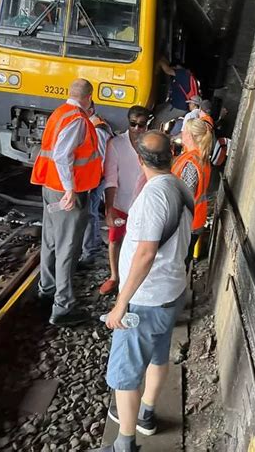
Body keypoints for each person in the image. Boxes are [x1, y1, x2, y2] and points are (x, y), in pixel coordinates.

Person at [100, 131, 194, 452]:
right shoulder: (181, 185)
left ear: (140, 160)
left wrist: (121, 304)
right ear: (171, 155)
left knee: (125, 374)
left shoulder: (155, 196)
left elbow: (145, 253)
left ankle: (124, 445)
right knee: (158, 355)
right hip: (171, 290)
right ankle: (147, 413)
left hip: (146, 299)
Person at [31, 78, 101, 326]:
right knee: (67, 249)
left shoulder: (59, 112)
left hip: (50, 188)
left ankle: (46, 290)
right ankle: (63, 307)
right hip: (68, 193)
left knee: (50, 242)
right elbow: (62, 155)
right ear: (89, 97)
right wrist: (71, 190)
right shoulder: (78, 120)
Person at [99, 105, 150, 295]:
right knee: (115, 239)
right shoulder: (116, 145)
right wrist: (109, 207)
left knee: (141, 241)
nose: (137, 129)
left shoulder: (150, 143)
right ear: (128, 123)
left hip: (143, 203)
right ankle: (114, 276)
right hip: (121, 202)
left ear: (147, 125)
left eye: (141, 125)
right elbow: (110, 178)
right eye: (133, 124)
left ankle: (136, 277)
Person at [172, 117, 212, 268]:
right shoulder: (199, 157)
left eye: (184, 130)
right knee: (183, 264)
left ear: (189, 135)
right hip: (195, 220)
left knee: (177, 265)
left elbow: (185, 196)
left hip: (186, 224)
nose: (181, 133)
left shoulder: (191, 163)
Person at [78, 102, 114, 268]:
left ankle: (89, 251)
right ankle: (94, 243)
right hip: (95, 178)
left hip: (96, 179)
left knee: (90, 213)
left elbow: (99, 159)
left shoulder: (98, 129)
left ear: (90, 110)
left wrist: (92, 183)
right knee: (90, 212)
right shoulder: (95, 125)